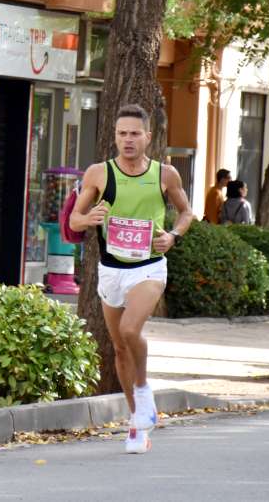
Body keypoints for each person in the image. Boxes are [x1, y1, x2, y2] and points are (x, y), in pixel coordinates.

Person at [68, 104, 194, 454]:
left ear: (147, 138)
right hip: (111, 269)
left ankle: (143, 390)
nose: (127, 139)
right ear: (115, 136)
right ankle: (137, 422)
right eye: (122, 133)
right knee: (120, 348)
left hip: (150, 267)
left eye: (134, 133)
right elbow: (74, 221)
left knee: (129, 330)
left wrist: (173, 236)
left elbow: (186, 212)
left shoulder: (164, 175)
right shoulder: (98, 173)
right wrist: (89, 217)